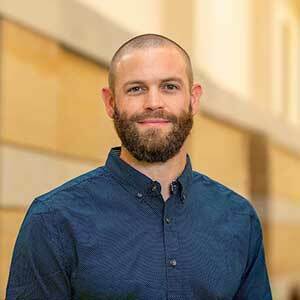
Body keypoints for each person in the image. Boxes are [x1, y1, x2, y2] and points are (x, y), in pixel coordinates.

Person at [6, 34, 272, 299]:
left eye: (169, 87)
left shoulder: (238, 219)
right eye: (136, 88)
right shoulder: (53, 220)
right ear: (111, 103)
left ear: (193, 99)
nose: (153, 102)